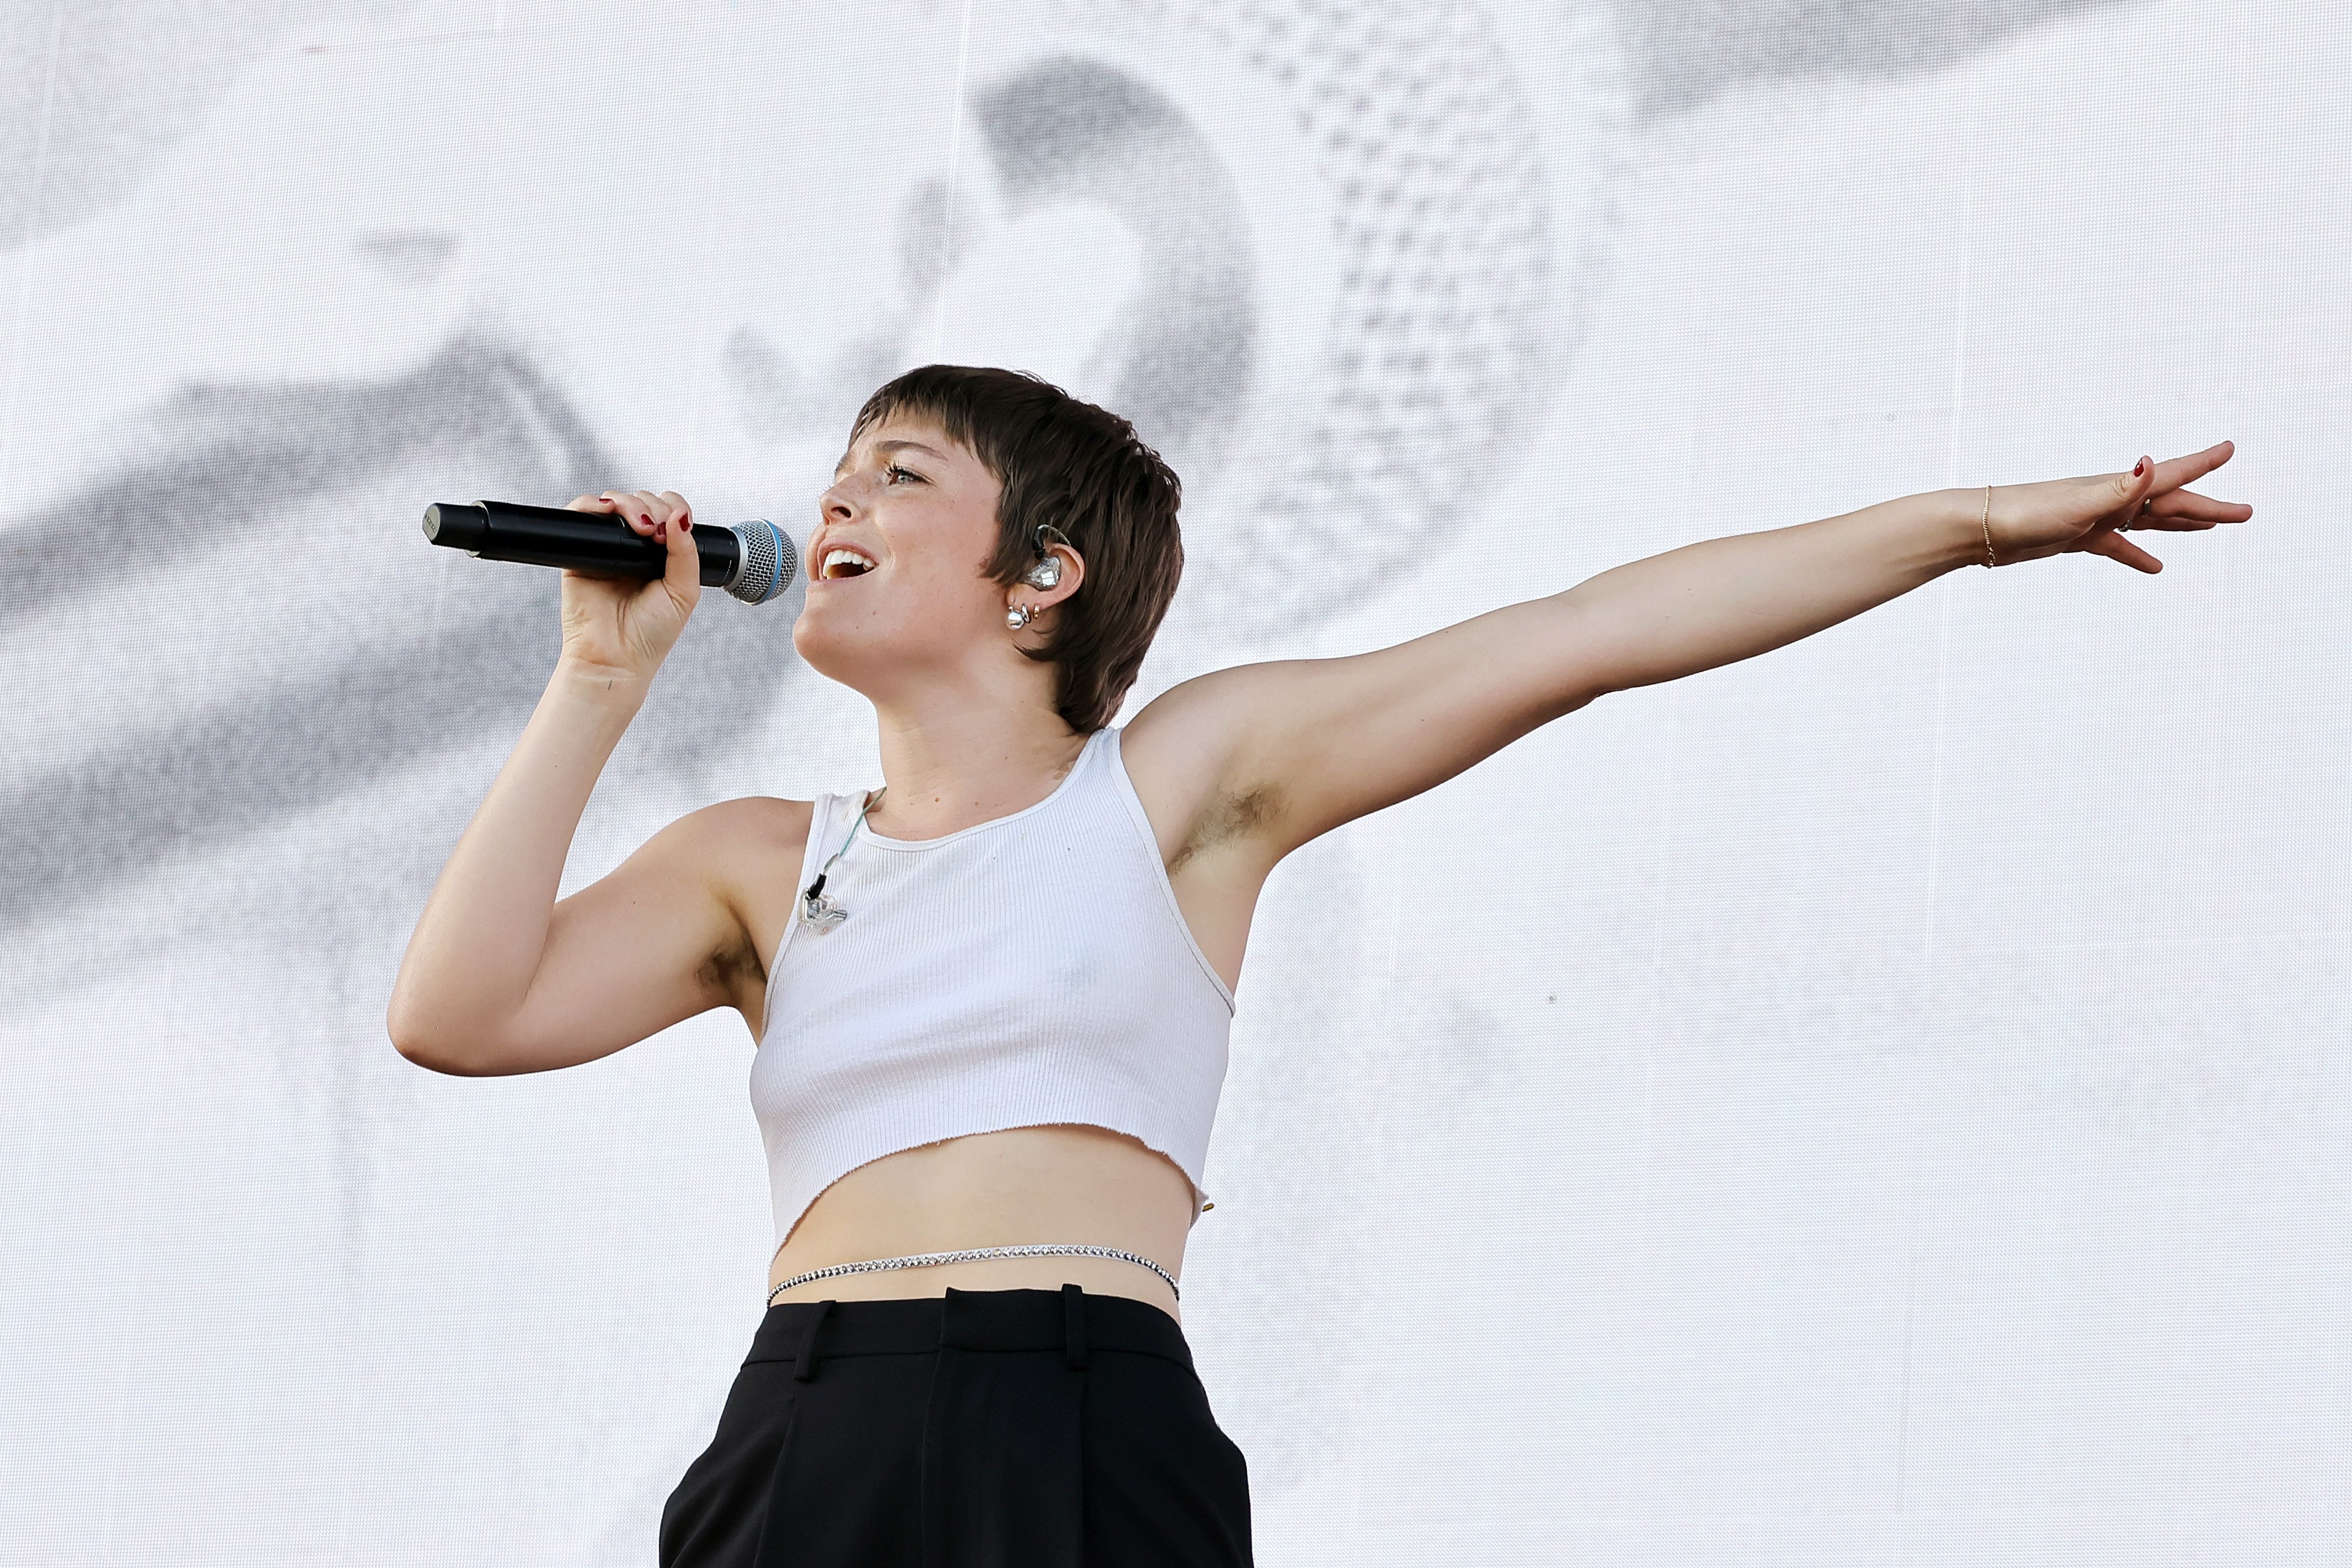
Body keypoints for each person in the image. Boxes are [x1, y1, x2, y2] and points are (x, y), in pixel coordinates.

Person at [385, 364, 2250, 1566]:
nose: (837, 511)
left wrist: (1980, 528)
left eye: (897, 474)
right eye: (838, 478)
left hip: (1083, 1398)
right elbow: (454, 1014)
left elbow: (1585, 631)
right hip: (814, 1414)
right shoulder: (758, 865)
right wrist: (597, 680)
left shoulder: (1184, 784)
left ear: (1041, 576)